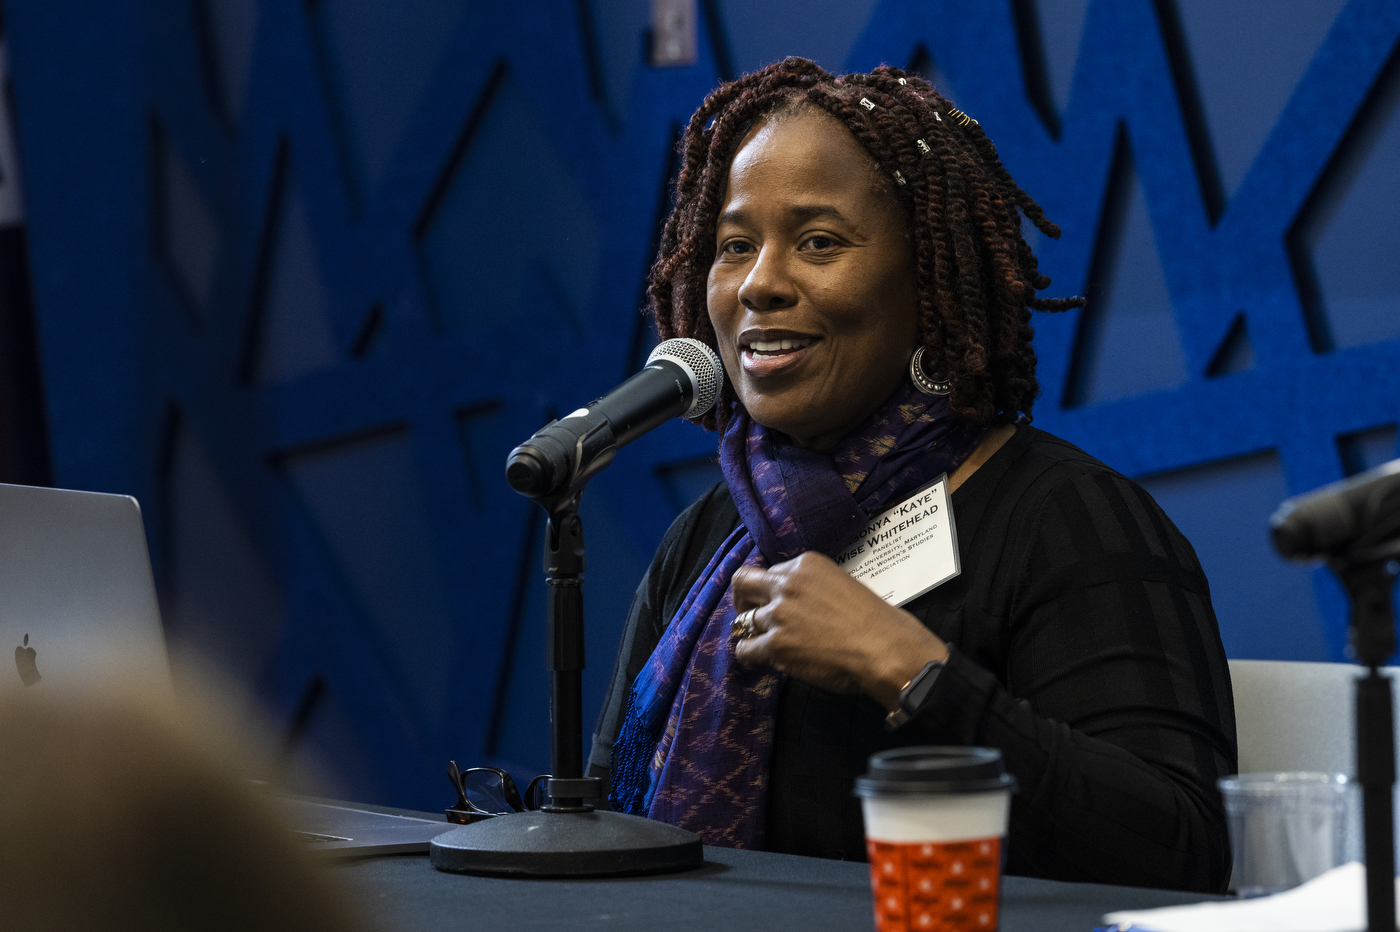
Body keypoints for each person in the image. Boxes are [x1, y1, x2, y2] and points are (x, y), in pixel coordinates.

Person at [587, 57, 1236, 894]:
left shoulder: (1069, 521)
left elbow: (1184, 850)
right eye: (735, 246)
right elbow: (606, 821)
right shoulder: (709, 538)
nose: (759, 285)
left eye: (818, 242)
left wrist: (914, 671)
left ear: (927, 277)